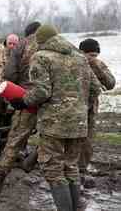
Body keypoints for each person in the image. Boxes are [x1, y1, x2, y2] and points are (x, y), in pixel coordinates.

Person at [10, 25, 100, 211]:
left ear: (41, 41)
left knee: (54, 170)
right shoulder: (80, 57)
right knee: (71, 167)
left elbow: (42, 91)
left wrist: (23, 101)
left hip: (54, 125)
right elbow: (95, 89)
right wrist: (78, 108)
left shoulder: (41, 57)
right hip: (79, 123)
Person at [0, 22, 41, 195]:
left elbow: (9, 75)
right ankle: (32, 160)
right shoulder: (54, 45)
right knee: (52, 136)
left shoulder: (21, 46)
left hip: (26, 97)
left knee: (15, 138)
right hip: (53, 100)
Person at [78, 38, 116, 187]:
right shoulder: (76, 62)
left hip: (84, 108)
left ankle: (78, 171)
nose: (92, 58)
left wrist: (95, 65)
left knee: (83, 141)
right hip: (78, 108)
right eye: (91, 55)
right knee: (78, 140)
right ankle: (76, 171)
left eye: (94, 55)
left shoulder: (94, 63)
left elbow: (110, 83)